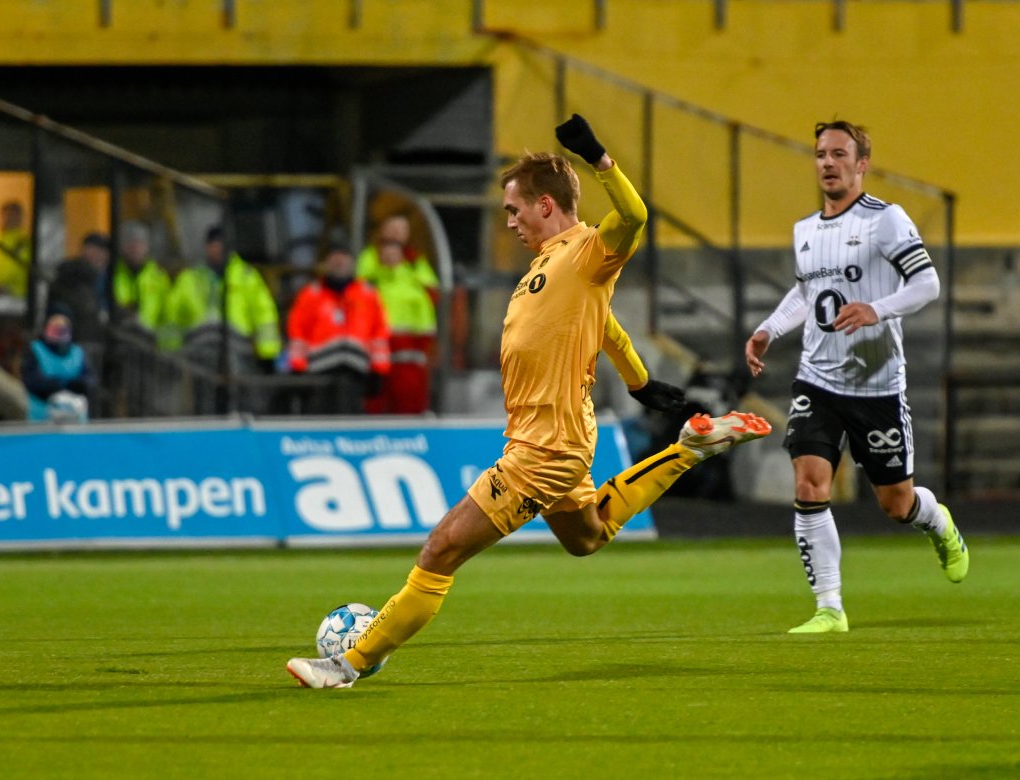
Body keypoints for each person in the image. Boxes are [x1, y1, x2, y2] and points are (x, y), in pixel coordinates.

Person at [286, 114, 771, 688]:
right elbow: (607, 327)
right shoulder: (549, 267)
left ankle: (347, 664)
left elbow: (636, 217)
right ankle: (689, 448)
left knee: (441, 549)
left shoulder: (587, 250)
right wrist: (639, 382)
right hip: (556, 437)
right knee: (586, 537)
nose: (509, 222)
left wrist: (600, 159)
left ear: (546, 204)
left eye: (515, 210)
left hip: (545, 446)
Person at [744, 120, 969, 635]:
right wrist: (768, 330)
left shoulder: (886, 220)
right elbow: (805, 292)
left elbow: (927, 282)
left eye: (839, 153)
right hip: (817, 381)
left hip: (876, 387)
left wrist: (878, 309)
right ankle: (829, 607)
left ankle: (937, 522)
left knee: (896, 504)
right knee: (809, 480)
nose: (828, 162)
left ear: (861, 163)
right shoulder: (805, 230)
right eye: (821, 153)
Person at [286, 243, 391, 414]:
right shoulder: (311, 294)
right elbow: (298, 334)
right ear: (326, 263)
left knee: (352, 423)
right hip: (319, 374)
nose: (339, 262)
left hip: (357, 374)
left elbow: (379, 334)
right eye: (334, 258)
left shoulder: (367, 294)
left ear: (352, 262)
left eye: (344, 257)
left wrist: (378, 371)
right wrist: (298, 369)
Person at [162, 225, 282, 368]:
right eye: (212, 246)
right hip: (199, 349)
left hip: (237, 347)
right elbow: (172, 314)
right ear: (206, 248)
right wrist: (168, 352)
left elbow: (264, 313)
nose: (216, 250)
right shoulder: (190, 279)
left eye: (219, 245)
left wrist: (267, 353)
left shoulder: (246, 277)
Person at [356, 213, 439, 414]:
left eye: (402, 229)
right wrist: (385, 269)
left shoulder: (414, 259)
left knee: (411, 388)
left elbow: (432, 290)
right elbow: (360, 290)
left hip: (414, 337)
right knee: (377, 390)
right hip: (377, 336)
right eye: (392, 227)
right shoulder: (371, 257)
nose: (397, 233)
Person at [21, 310, 94, 423]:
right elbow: (31, 380)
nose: (58, 335)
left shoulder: (78, 352)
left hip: (75, 418)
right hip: (42, 419)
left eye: (62, 330)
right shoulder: (36, 350)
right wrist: (56, 387)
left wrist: (73, 387)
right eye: (54, 330)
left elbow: (89, 380)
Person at [48, 232, 110, 346]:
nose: (101, 255)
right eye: (96, 250)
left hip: (96, 337)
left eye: (103, 251)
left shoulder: (106, 276)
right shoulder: (72, 273)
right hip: (77, 337)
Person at [112, 220, 171, 339]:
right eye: (130, 244)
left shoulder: (159, 278)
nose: (135, 248)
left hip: (150, 342)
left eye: (139, 243)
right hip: (120, 340)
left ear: (146, 247)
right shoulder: (113, 275)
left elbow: (167, 316)